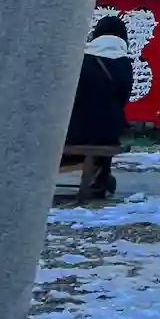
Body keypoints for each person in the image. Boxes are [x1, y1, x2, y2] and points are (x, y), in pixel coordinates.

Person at [65, 14, 134, 199]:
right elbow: (123, 98)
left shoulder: (81, 59)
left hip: (73, 129)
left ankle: (98, 178)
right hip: (107, 133)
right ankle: (100, 180)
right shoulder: (124, 63)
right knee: (108, 122)